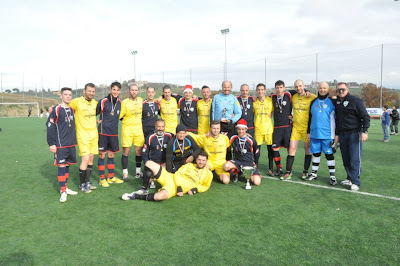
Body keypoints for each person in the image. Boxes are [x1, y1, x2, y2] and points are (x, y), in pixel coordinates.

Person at [121, 151, 213, 201]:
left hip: (173, 189)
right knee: (149, 163)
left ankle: (135, 196)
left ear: (206, 161)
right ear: (196, 160)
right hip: (170, 178)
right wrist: (179, 187)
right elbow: (177, 174)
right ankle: (144, 187)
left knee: (158, 197)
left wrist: (195, 189)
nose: (201, 162)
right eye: (199, 160)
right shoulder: (189, 165)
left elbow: (205, 186)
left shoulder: (208, 174)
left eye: (203, 160)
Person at [334, 82, 370, 191]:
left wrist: (365, 131)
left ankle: (356, 182)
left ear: (347, 89)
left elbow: (365, 117)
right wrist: (337, 134)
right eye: (339, 90)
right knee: (346, 159)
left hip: (355, 133)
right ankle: (349, 178)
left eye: (343, 89)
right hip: (343, 134)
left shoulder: (355, 101)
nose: (341, 91)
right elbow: (338, 120)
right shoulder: (337, 102)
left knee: (354, 159)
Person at [47, 87, 78, 202]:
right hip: (60, 144)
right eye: (65, 94)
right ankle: (63, 191)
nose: (68, 96)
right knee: (61, 166)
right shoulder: (56, 109)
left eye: (70, 94)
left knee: (67, 166)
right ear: (61, 96)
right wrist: (51, 143)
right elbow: (50, 126)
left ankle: (65, 187)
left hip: (71, 144)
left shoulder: (72, 110)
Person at [306, 82, 337, 185]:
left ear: (327, 89)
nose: (322, 90)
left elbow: (336, 119)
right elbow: (310, 118)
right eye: (320, 88)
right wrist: (308, 132)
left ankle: (332, 176)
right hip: (315, 134)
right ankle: (314, 174)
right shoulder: (313, 102)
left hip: (327, 134)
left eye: (324, 88)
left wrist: (335, 135)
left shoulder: (332, 102)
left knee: (329, 155)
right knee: (316, 154)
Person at [70, 83, 98, 193]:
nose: (91, 93)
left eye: (93, 91)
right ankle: (82, 185)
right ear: (84, 91)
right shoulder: (76, 102)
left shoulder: (95, 103)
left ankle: (87, 182)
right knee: (85, 159)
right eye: (89, 91)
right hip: (82, 135)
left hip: (94, 135)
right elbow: (65, 108)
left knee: (91, 158)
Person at [285, 80, 317, 180]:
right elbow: (285, 91)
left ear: (304, 86)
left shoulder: (312, 97)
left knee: (307, 150)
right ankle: (288, 172)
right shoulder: (293, 96)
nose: (298, 88)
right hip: (296, 128)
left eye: (300, 86)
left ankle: (305, 171)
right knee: (291, 150)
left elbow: (322, 100)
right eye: (296, 87)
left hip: (307, 129)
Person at [133, 119, 173, 194]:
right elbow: (144, 152)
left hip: (165, 162)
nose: (160, 129)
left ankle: (167, 185)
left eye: (162, 126)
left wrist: (168, 162)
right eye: (158, 126)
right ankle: (144, 187)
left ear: (165, 127)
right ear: (155, 127)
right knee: (147, 171)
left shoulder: (170, 136)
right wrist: (147, 162)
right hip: (154, 162)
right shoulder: (150, 137)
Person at [96, 81, 124, 187]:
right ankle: (102, 178)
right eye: (114, 89)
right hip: (103, 132)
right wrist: (96, 121)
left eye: (117, 90)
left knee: (111, 154)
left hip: (114, 133)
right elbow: (93, 112)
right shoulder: (103, 101)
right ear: (110, 90)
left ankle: (111, 177)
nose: (115, 92)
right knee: (102, 155)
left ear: (120, 91)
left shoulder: (120, 103)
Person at [223, 119, 261, 186]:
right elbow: (221, 133)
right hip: (237, 162)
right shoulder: (233, 138)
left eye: (243, 129)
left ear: (246, 129)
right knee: (226, 166)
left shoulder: (251, 140)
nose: (241, 131)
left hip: (249, 162)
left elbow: (257, 153)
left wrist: (256, 165)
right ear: (236, 129)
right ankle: (237, 172)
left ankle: (248, 173)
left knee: (257, 182)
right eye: (239, 129)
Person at [120, 84, 144, 180]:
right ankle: (125, 173)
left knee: (138, 151)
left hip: (138, 129)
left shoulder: (141, 101)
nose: (134, 92)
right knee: (126, 151)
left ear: (138, 91)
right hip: (127, 129)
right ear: (129, 91)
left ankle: (138, 172)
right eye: (132, 90)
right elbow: (120, 116)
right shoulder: (124, 102)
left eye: (136, 90)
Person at [270, 80, 293, 179]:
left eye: (281, 87)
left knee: (289, 149)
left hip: (287, 127)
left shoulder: (288, 95)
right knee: (275, 148)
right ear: (275, 89)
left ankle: (289, 170)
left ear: (284, 88)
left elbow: (299, 90)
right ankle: (279, 168)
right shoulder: (273, 97)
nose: (279, 89)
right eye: (277, 88)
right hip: (277, 128)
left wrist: (307, 91)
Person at [253, 83, 274, 176]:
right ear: (257, 91)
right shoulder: (253, 102)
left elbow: (274, 111)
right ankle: (255, 168)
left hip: (269, 129)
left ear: (265, 90)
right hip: (258, 129)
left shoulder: (270, 100)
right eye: (258, 90)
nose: (260, 91)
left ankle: (271, 168)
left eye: (262, 89)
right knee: (257, 151)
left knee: (270, 150)